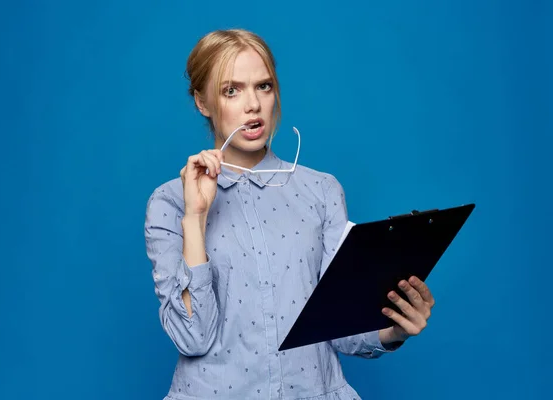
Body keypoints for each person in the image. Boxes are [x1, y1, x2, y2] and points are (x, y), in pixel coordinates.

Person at [144, 28, 435, 400]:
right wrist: (195, 217)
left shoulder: (321, 191)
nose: (252, 105)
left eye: (263, 86)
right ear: (203, 102)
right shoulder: (169, 203)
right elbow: (192, 336)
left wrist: (395, 330)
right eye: (231, 90)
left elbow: (339, 324)